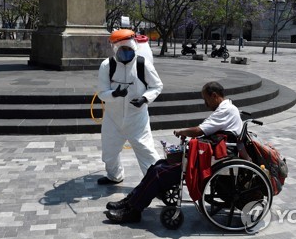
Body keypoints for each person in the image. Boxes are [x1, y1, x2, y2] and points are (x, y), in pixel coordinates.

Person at [104, 81, 243, 224]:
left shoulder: (226, 110)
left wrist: (182, 131)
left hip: (210, 159)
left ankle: (134, 211)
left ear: (214, 96)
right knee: (157, 165)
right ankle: (130, 202)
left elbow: (200, 130)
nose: (205, 103)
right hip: (208, 154)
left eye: (205, 99)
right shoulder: (226, 108)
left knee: (159, 173)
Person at [97, 29, 163, 185]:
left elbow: (157, 86)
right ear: (116, 49)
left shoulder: (142, 64)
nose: (125, 52)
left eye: (128, 49)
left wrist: (144, 99)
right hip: (113, 119)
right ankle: (114, 176)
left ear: (133, 48)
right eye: (122, 49)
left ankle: (156, 182)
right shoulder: (107, 65)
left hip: (137, 118)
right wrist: (114, 94)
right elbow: (101, 93)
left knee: (147, 151)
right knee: (109, 152)